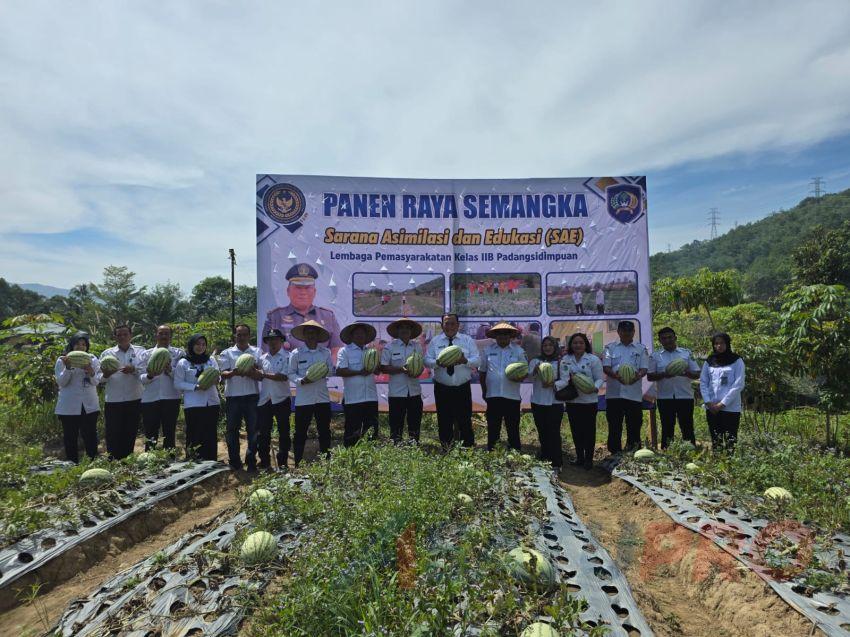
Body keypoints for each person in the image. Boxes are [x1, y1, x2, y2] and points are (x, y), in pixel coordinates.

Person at [425, 313, 480, 449]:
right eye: (446, 323)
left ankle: (467, 449)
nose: (449, 326)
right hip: (442, 388)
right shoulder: (435, 341)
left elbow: (477, 360)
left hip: (462, 387)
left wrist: (465, 360)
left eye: (452, 323)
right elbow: (426, 360)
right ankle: (446, 449)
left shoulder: (467, 340)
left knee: (465, 420)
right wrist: (438, 363)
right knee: (444, 420)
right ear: (442, 325)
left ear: (458, 325)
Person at [262, 262, 343, 355]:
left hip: (320, 368)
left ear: (314, 292)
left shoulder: (328, 316)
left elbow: (336, 351)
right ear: (288, 291)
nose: (303, 292)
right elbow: (267, 353)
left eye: (307, 287)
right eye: (298, 287)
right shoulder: (275, 317)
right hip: (285, 369)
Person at [288, 320, 334, 466]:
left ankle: (326, 461)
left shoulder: (325, 353)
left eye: (314, 332)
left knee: (324, 431)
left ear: (318, 335)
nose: (311, 335)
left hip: (322, 398)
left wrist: (322, 372)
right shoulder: (296, 353)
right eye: (308, 332)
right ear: (304, 335)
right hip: (303, 399)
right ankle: (298, 462)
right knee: (300, 432)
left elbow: (331, 371)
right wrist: (301, 380)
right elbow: (290, 373)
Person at [647, 327, 701, 448]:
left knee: (687, 426)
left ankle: (690, 452)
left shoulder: (686, 353)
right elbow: (650, 377)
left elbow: (697, 373)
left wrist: (685, 372)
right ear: (660, 341)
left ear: (675, 338)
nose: (667, 340)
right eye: (664, 338)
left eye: (670, 337)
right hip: (664, 397)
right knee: (667, 427)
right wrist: (665, 374)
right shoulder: (655, 356)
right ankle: (667, 453)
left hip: (685, 396)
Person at [219, 323, 262, 471]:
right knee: (232, 431)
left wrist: (253, 372)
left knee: (253, 431)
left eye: (244, 334)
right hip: (233, 397)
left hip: (252, 396)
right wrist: (234, 372)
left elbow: (261, 376)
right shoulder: (227, 353)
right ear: (234, 336)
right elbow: (223, 374)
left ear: (249, 336)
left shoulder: (257, 352)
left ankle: (251, 462)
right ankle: (235, 462)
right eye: (239, 334)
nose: (242, 337)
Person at [479, 323, 527, 451]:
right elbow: (482, 372)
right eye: (499, 334)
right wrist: (484, 391)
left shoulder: (518, 351)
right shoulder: (487, 350)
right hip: (493, 395)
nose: (503, 336)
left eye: (506, 334)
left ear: (511, 336)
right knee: (493, 427)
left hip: (512, 396)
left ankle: (515, 453)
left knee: (513, 427)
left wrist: (519, 377)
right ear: (495, 336)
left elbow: (524, 372)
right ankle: (493, 453)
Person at [602, 321, 649, 454]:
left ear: (633, 332)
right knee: (614, 425)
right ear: (619, 332)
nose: (626, 333)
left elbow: (644, 368)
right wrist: (615, 376)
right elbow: (606, 367)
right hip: (614, 394)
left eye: (629, 331)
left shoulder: (641, 349)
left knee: (634, 424)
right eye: (623, 331)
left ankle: (633, 450)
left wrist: (636, 376)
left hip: (633, 393)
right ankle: (615, 452)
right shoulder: (610, 348)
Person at [559, 333, 604, 469]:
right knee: (576, 430)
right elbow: (564, 378)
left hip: (589, 400)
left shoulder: (593, 359)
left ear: (586, 345)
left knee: (589, 431)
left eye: (581, 343)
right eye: (575, 343)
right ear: (571, 345)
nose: (578, 345)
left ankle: (589, 459)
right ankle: (580, 457)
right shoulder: (566, 359)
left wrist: (594, 388)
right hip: (573, 401)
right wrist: (569, 379)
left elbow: (599, 378)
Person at [54, 332, 101, 463]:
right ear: (72, 345)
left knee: (90, 435)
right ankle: (72, 464)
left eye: (83, 344)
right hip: (69, 405)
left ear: (87, 346)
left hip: (89, 404)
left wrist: (91, 372)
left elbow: (96, 381)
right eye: (77, 344)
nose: (81, 347)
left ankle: (93, 462)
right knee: (70, 437)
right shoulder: (62, 360)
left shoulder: (93, 359)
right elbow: (61, 382)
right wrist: (68, 368)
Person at [100, 325, 146, 459]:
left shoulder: (140, 351)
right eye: (119, 335)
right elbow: (99, 378)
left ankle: (127, 461)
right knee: (113, 433)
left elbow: (145, 372)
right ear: (115, 337)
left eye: (125, 334)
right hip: (114, 399)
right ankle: (113, 461)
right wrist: (107, 374)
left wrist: (134, 370)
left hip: (134, 398)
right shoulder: (106, 354)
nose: (122, 337)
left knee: (130, 432)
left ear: (130, 335)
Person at [173, 334, 220, 460]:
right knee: (194, 434)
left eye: (203, 344)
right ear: (192, 345)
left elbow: (217, 376)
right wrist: (195, 387)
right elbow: (178, 383)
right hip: (193, 404)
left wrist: (215, 379)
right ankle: (193, 462)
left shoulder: (211, 360)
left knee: (210, 433)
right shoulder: (183, 362)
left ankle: (211, 461)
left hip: (212, 402)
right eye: (197, 344)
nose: (200, 347)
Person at [139, 325, 184, 452]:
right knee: (150, 433)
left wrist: (170, 370)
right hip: (150, 399)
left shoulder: (179, 353)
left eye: (166, 333)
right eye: (161, 333)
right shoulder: (146, 354)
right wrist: (150, 375)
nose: (164, 336)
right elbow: (140, 378)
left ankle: (170, 460)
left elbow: (182, 376)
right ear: (156, 335)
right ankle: (150, 459)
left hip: (171, 398)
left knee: (169, 431)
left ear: (171, 336)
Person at [380, 318, 424, 443]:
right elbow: (383, 367)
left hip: (414, 391)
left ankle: (414, 444)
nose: (405, 330)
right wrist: (401, 369)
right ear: (397, 331)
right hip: (397, 392)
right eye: (402, 327)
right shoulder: (390, 347)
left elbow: (420, 366)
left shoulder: (417, 347)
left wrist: (418, 371)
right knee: (396, 423)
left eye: (407, 328)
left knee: (414, 421)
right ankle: (396, 444)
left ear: (411, 331)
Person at [699, 333, 745, 451]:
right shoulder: (709, 361)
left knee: (730, 440)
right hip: (712, 408)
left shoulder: (737, 361)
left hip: (730, 408)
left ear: (727, 344)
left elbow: (738, 384)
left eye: (722, 343)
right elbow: (703, 382)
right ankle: (717, 463)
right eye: (716, 343)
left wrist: (722, 404)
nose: (719, 346)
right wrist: (708, 402)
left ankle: (730, 465)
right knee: (716, 439)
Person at [337, 321, 379, 446]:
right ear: (351, 336)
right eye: (357, 333)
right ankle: (351, 460)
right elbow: (340, 370)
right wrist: (359, 372)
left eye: (362, 333)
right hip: (353, 399)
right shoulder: (344, 351)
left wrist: (375, 368)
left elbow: (377, 371)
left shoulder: (372, 352)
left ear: (366, 336)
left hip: (371, 398)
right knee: (352, 432)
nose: (360, 335)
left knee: (371, 432)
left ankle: (370, 459)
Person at [257, 328, 292, 470]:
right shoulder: (262, 358)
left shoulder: (288, 357)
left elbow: (283, 376)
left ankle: (283, 462)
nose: (273, 342)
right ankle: (264, 462)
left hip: (282, 399)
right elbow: (256, 373)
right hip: (265, 399)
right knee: (263, 432)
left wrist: (263, 374)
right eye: (270, 339)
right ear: (267, 342)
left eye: (276, 339)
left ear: (282, 341)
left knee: (284, 431)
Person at [529, 335, 563, 472]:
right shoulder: (535, 361)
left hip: (555, 403)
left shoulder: (561, 362)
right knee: (542, 431)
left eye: (550, 345)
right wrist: (535, 370)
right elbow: (528, 375)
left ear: (555, 347)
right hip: (538, 401)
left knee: (554, 432)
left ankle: (557, 463)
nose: (547, 348)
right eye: (545, 346)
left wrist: (554, 384)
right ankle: (545, 458)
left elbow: (566, 380)